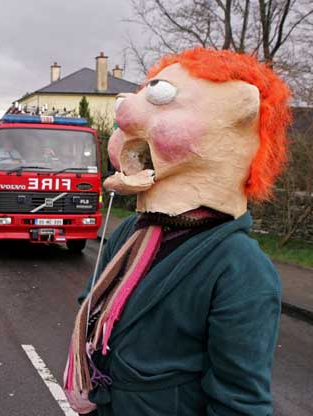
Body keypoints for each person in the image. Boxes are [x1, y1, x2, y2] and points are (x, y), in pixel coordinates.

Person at [64, 48, 291, 415]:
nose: (126, 111)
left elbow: (239, 401)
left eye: (163, 100)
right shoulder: (129, 233)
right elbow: (92, 304)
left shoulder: (241, 267)